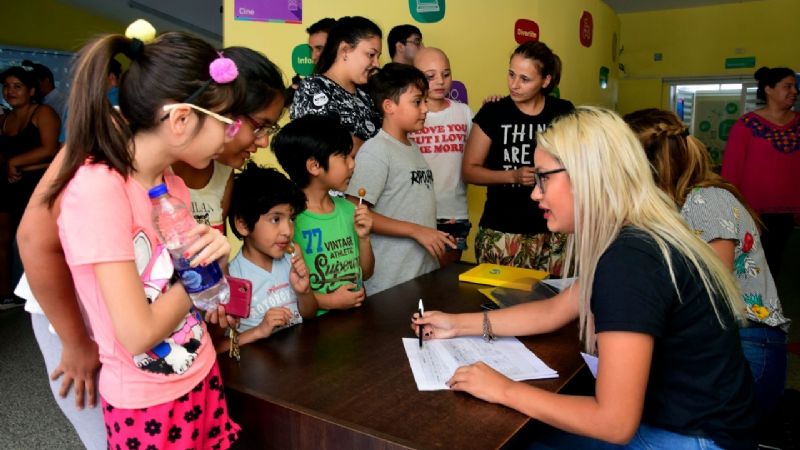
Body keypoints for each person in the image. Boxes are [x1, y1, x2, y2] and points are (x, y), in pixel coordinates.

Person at [414, 107, 758, 449]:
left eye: (544, 177)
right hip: (705, 424)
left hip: (698, 438)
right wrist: (457, 324)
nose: (535, 193)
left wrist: (503, 388)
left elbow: (614, 423)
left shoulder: (631, 261)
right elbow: (554, 311)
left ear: (587, 176)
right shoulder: (637, 236)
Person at [15, 43, 285, 449]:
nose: (259, 142)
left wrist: (209, 272)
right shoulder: (101, 172)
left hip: (171, 344)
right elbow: (36, 242)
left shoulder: (172, 174)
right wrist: (75, 342)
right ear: (184, 116)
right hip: (86, 320)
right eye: (251, 125)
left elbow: (185, 270)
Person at [625, 108, 790, 417]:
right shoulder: (671, 204)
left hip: (746, 345)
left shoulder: (705, 200)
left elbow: (713, 295)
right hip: (718, 344)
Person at [462, 41, 573, 275]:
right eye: (511, 74)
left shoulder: (563, 112)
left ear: (546, 81)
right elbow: (469, 170)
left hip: (553, 230)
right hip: (502, 229)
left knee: (548, 303)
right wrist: (511, 175)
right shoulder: (494, 112)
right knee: (498, 303)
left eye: (525, 79)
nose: (514, 85)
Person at [344, 63, 455, 294]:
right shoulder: (377, 150)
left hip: (421, 275)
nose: (425, 109)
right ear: (389, 106)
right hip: (390, 283)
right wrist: (416, 230)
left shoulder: (412, 147)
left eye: (425, 101)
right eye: (417, 101)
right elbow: (357, 211)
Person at [172, 46, 286, 234]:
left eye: (269, 129)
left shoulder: (223, 172)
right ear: (221, 110)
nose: (264, 142)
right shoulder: (152, 170)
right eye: (259, 126)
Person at [272, 115, 374, 313]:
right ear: (314, 166)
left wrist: (364, 239)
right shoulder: (289, 222)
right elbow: (286, 291)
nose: (352, 164)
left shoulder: (348, 210)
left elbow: (366, 273)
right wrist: (330, 301)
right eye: (344, 157)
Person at [224, 163, 318, 349]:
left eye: (291, 219)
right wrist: (259, 330)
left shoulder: (293, 254)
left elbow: (310, 313)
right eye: (275, 219)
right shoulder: (232, 277)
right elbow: (218, 347)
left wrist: (303, 292)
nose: (287, 230)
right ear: (243, 224)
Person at [721, 66, 799, 280]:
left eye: (795, 86)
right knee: (748, 267)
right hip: (752, 213)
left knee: (775, 264)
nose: (794, 91)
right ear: (769, 89)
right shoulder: (746, 125)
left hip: (788, 213)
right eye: (787, 86)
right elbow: (731, 171)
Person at [1, 65, 61, 307]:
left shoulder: (43, 113)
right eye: (6, 87)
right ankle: (6, 294)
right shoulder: (5, 119)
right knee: (2, 239)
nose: (10, 91)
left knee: (36, 242)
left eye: (17, 86)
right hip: (7, 184)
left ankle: (46, 296)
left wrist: (16, 163)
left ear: (32, 90)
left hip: (36, 186)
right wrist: (8, 165)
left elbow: (50, 150)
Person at [410, 47, 472, 266]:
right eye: (430, 76)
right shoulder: (409, 116)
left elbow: (477, 154)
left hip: (454, 211)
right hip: (416, 214)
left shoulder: (464, 111)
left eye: (446, 74)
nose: (440, 81)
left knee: (445, 280)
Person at [290, 16, 382, 154]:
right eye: (371, 54)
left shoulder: (365, 96)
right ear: (344, 50)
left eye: (378, 56)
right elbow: (328, 145)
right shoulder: (313, 88)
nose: (376, 63)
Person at [287, 17, 336, 104]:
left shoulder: (361, 85)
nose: (313, 57)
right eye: (311, 49)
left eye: (320, 48)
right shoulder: (307, 87)